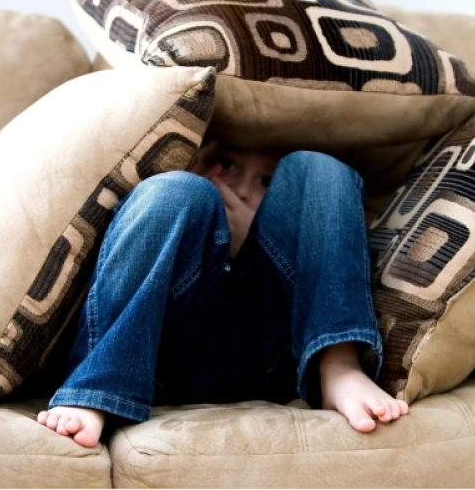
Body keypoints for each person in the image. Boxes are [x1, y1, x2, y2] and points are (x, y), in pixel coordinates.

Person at [37, 139, 408, 447]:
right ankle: (98, 389)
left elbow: (306, 225)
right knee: (174, 191)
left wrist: (253, 238)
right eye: (227, 164)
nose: (243, 188)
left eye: (267, 181)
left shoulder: (291, 214)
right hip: (160, 356)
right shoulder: (194, 196)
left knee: (320, 168)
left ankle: (338, 363)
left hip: (272, 356)